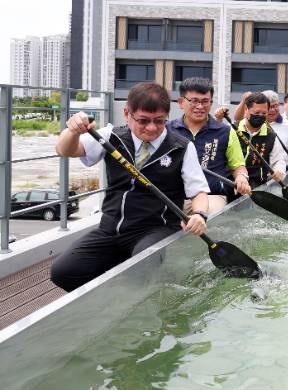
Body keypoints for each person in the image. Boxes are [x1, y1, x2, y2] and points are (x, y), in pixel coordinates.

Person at [50, 82, 210, 292]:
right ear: (127, 113)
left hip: (155, 229)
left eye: (159, 121)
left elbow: (198, 192)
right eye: (143, 121)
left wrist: (199, 214)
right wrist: (72, 131)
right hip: (110, 229)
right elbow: (65, 149)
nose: (151, 128)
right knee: (62, 272)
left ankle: (136, 292)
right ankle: (109, 298)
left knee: (140, 267)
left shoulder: (181, 147)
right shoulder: (110, 136)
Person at [168, 77, 250, 212]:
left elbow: (238, 166)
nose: (200, 106)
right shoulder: (167, 130)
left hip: (211, 196)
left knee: (208, 215)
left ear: (211, 102)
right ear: (181, 102)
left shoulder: (226, 131)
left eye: (205, 101)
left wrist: (242, 178)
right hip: (173, 197)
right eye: (194, 101)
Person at [233, 92, 288, 185]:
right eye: (257, 112)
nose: (260, 116)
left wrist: (279, 170)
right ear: (246, 109)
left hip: (258, 185)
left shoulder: (271, 136)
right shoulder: (232, 130)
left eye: (264, 113)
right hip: (232, 182)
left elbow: (279, 160)